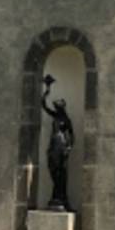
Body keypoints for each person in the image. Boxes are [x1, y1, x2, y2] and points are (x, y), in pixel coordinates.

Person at [41, 74, 74, 211]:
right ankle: (56, 197)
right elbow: (43, 105)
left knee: (60, 172)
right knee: (53, 170)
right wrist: (47, 91)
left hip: (61, 145)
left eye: (58, 106)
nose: (57, 108)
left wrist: (69, 148)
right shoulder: (55, 116)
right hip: (53, 144)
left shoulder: (66, 120)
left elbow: (72, 135)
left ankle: (60, 197)